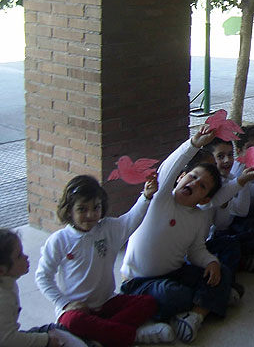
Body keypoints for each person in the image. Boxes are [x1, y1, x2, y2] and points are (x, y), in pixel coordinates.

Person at [119, 126, 236, 344]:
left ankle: (196, 316)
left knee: (222, 270)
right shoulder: (161, 199)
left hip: (174, 272)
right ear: (181, 176)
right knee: (174, 294)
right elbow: (168, 168)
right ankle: (208, 298)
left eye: (201, 186)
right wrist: (194, 144)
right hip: (138, 281)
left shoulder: (198, 217)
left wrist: (210, 262)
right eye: (191, 177)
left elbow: (196, 250)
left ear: (204, 200)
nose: (193, 183)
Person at [35, 175, 174, 346]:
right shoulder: (59, 240)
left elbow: (131, 219)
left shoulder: (108, 229)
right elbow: (43, 277)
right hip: (75, 309)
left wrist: (146, 197)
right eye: (82, 209)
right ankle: (132, 335)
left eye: (96, 207)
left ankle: (100, 335)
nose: (90, 214)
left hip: (106, 303)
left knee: (148, 303)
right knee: (70, 323)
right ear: (69, 210)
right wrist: (64, 304)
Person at [1, 229, 88, 347]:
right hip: (8, 339)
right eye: (19, 255)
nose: (26, 257)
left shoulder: (7, 283)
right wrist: (45, 341)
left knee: (55, 330)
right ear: (2, 270)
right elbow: (7, 339)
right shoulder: (3, 299)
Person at [203, 136, 254, 275]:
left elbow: (242, 211)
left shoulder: (231, 179)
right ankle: (234, 265)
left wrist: (244, 182)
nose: (227, 160)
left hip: (229, 230)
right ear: (210, 160)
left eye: (230, 155)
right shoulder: (208, 185)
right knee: (231, 245)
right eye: (220, 156)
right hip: (214, 237)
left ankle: (238, 259)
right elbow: (220, 225)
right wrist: (239, 183)